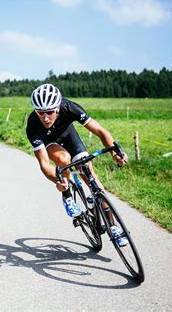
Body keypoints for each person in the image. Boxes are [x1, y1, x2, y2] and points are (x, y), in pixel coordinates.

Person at [26, 83, 129, 246]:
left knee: (90, 175)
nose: (45, 118)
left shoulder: (70, 108)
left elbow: (101, 131)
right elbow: (44, 163)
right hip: (50, 143)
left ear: (58, 108)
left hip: (70, 138)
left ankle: (114, 227)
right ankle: (67, 196)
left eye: (50, 112)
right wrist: (58, 181)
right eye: (40, 113)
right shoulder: (32, 125)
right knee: (63, 159)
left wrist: (115, 154)